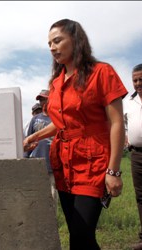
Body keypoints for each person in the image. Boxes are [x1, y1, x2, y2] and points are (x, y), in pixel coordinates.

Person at [23, 19, 127, 249]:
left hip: (93, 162)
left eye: (57, 40)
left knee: (81, 234)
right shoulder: (56, 83)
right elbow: (62, 124)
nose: (52, 47)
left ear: (76, 40)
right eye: (49, 43)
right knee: (79, 236)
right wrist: (34, 137)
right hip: (63, 163)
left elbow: (117, 122)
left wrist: (114, 171)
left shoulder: (102, 72)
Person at [25, 90, 57, 205]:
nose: (42, 102)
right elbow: (28, 140)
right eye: (40, 99)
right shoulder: (35, 119)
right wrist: (25, 159)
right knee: (34, 195)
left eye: (44, 99)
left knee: (52, 195)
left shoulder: (57, 118)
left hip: (52, 163)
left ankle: (51, 221)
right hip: (36, 162)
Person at [125, 64, 142, 250]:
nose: (138, 83)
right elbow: (123, 123)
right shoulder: (129, 102)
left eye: (141, 79)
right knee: (140, 196)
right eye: (135, 80)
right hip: (136, 155)